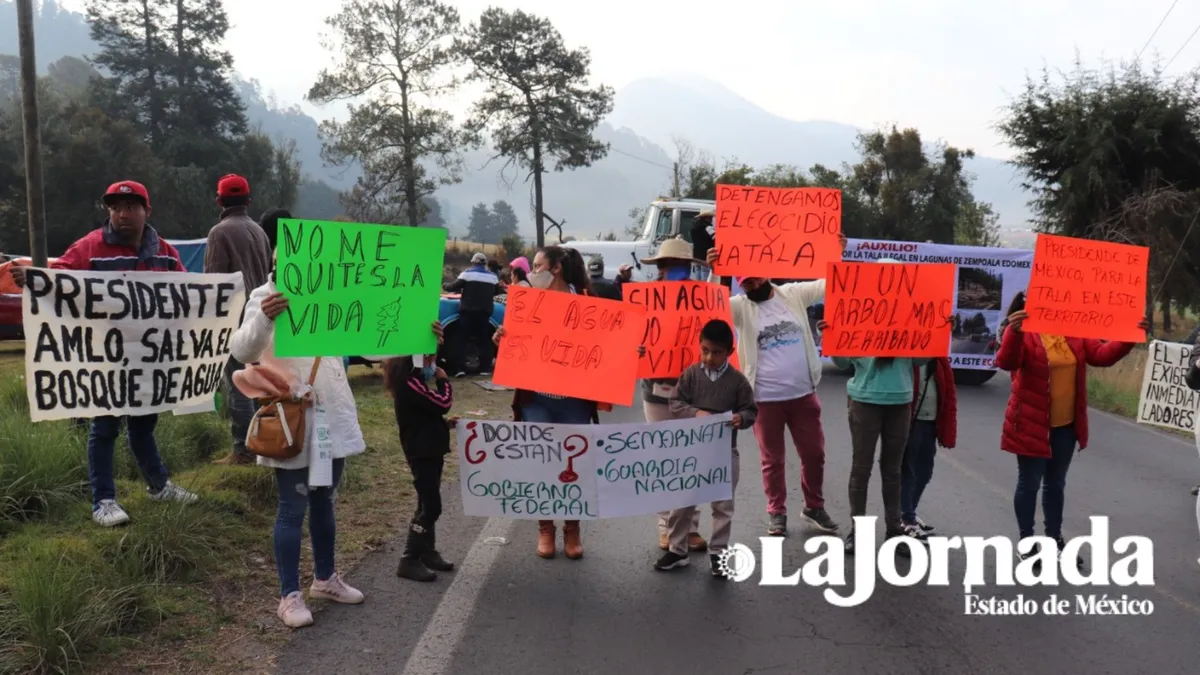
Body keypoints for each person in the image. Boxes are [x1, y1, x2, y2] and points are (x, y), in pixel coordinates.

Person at [10, 180, 199, 527]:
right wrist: (36, 279)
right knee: (105, 427)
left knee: (143, 426)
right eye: (115, 207)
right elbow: (60, 278)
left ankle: (158, 486)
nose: (122, 214)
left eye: (130, 207)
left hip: (148, 359)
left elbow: (187, 291)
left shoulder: (164, 252)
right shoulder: (90, 247)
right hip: (105, 358)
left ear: (147, 211)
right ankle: (104, 501)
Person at [704, 237, 847, 536]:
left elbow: (830, 283)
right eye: (746, 282)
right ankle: (776, 512)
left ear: (766, 272)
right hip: (764, 400)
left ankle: (814, 506)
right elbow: (709, 307)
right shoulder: (740, 308)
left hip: (803, 395)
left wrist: (838, 252)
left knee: (815, 455)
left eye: (756, 278)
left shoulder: (792, 294)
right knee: (772, 460)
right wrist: (715, 271)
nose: (753, 284)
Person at [997, 291, 1146, 569]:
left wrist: (1130, 335)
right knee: (1029, 483)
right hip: (1030, 423)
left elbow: (1101, 355)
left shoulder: (1073, 330)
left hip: (1065, 426)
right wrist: (1013, 333)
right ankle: (1027, 543)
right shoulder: (1024, 332)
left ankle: (1055, 541)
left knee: (1055, 485)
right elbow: (1007, 362)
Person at [493, 245, 609, 559]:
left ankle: (572, 527)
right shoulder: (526, 302)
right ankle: (546, 527)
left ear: (555, 268)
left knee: (574, 465)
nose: (532, 272)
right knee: (542, 463)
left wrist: (627, 351)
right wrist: (501, 339)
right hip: (537, 399)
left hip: (575, 401)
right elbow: (516, 345)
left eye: (537, 266)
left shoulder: (587, 302)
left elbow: (605, 346)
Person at [821, 310, 928, 552]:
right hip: (864, 402)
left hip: (899, 402)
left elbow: (921, 359)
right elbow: (842, 362)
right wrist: (830, 335)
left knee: (893, 471)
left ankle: (894, 531)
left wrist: (941, 333)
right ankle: (858, 531)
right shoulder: (859, 317)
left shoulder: (909, 320)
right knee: (861, 468)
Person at [658, 319, 757, 577]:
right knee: (682, 501)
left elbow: (750, 410)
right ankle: (678, 550)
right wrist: (695, 413)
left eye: (716, 352)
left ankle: (718, 552)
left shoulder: (738, 382)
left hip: (724, 453)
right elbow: (675, 403)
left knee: (723, 506)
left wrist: (741, 418)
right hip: (692, 452)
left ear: (729, 352)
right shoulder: (691, 374)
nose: (709, 357)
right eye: (705, 350)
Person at [637, 236, 710, 550]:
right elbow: (629, 339)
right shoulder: (645, 299)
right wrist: (638, 348)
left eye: (682, 266)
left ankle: (690, 527)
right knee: (664, 460)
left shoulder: (704, 298)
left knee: (691, 462)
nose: (675, 270)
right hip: (656, 391)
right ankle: (666, 526)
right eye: (669, 265)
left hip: (695, 393)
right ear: (661, 268)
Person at [205, 174, 273, 466]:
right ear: (248, 201)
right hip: (262, 319)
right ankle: (267, 441)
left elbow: (214, 283)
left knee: (238, 385)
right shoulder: (260, 231)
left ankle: (243, 450)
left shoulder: (219, 233)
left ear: (219, 201)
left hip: (235, 322)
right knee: (260, 384)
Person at [384, 355, 457, 582]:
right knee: (431, 507)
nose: (432, 364)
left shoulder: (415, 383)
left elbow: (423, 415)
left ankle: (427, 551)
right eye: (429, 359)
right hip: (421, 453)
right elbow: (442, 403)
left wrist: (444, 425)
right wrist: (443, 381)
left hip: (430, 450)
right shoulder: (410, 383)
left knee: (424, 503)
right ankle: (409, 558)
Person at [901, 357, 957, 535]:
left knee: (924, 472)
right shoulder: (907, 358)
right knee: (908, 471)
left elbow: (948, 394)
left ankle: (910, 511)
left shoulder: (939, 360)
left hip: (931, 422)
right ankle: (906, 518)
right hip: (911, 421)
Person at [443, 252, 501, 377]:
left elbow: (452, 287)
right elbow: (498, 291)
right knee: (484, 340)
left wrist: (445, 285)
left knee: (462, 339)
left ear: (473, 262)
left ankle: (459, 369)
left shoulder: (467, 274)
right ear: (485, 264)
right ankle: (485, 368)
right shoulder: (492, 277)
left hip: (467, 312)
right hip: (485, 313)